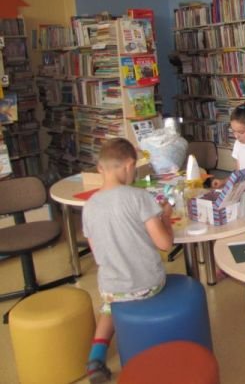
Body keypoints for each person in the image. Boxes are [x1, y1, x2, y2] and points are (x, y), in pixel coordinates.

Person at [82, 138, 174, 383]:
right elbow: (164, 244)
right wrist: (165, 218)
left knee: (109, 307)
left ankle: (95, 357)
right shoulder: (139, 197)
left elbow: (97, 251)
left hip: (111, 287)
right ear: (129, 165)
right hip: (147, 284)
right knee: (133, 290)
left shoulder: (89, 206)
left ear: (100, 168)